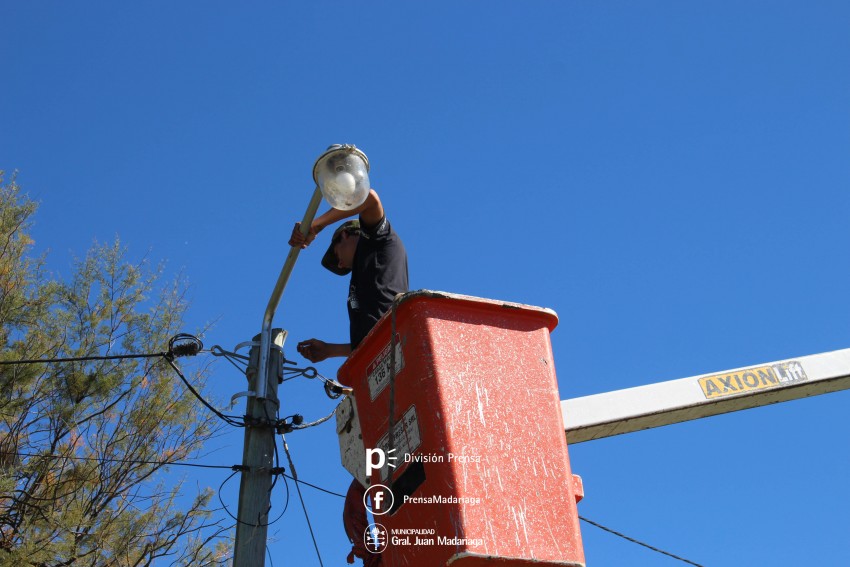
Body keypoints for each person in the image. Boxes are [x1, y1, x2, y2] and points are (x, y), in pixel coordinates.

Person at [288, 181, 408, 566]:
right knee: (359, 502)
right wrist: (331, 351)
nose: (338, 262)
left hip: (396, 366)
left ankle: (397, 541)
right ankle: (379, 553)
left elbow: (368, 197)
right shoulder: (361, 276)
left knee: (383, 480)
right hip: (374, 370)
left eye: (337, 249)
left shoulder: (380, 241)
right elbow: (369, 331)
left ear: (349, 234)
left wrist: (317, 224)